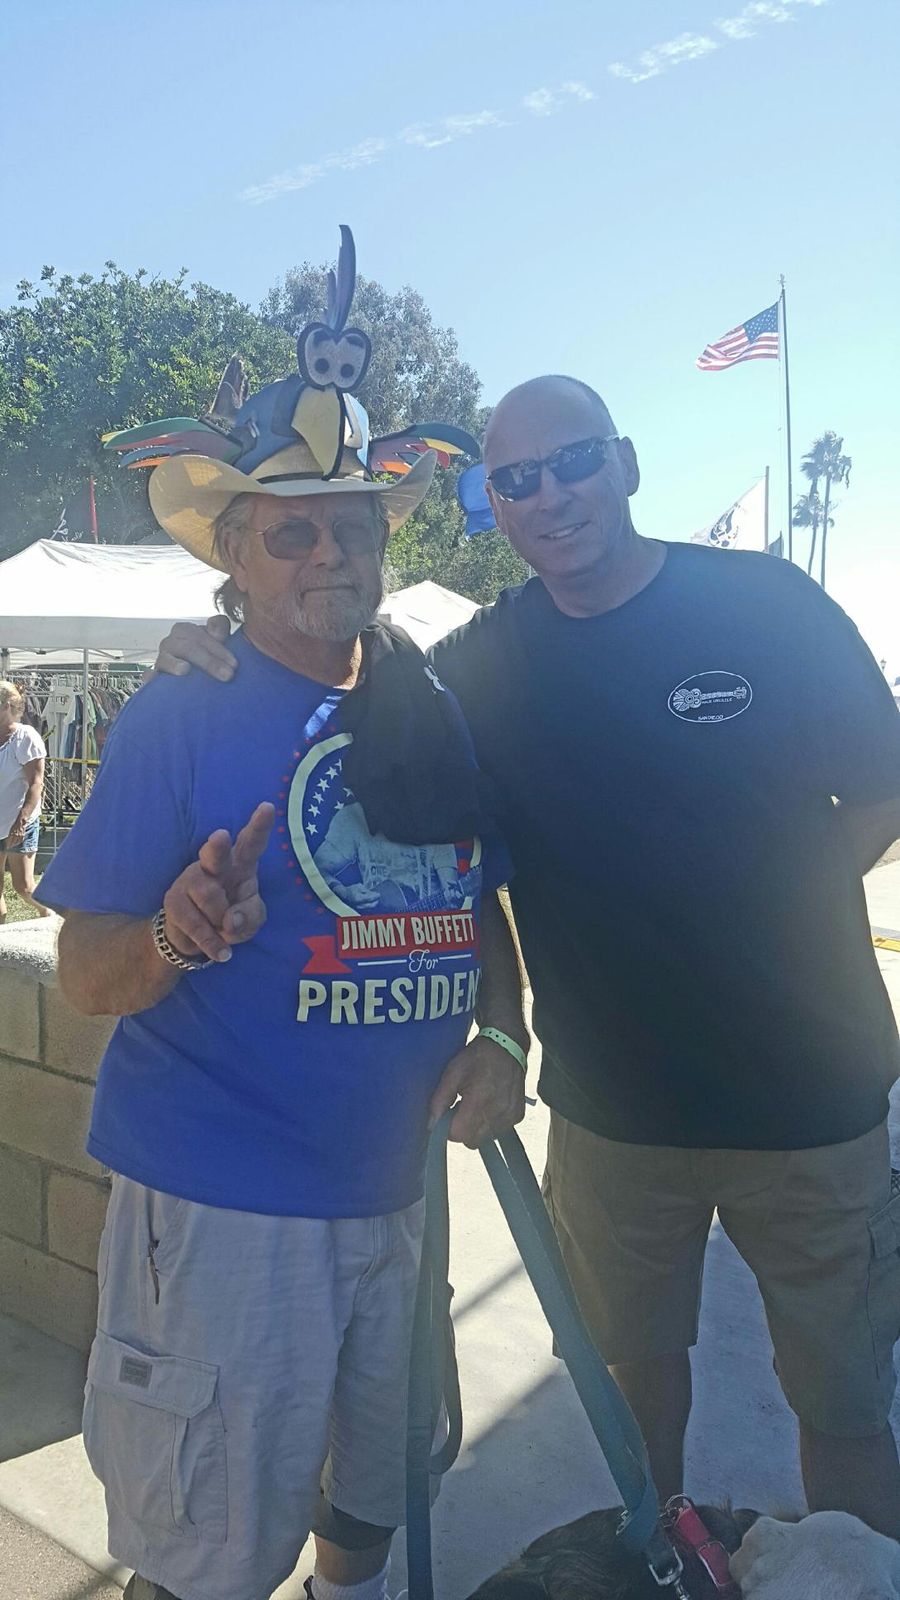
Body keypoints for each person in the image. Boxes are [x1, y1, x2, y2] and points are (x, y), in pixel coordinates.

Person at [160, 373, 900, 1539]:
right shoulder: (479, 665)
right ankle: (661, 1565)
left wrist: (783, 905)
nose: (549, 495)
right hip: (614, 1117)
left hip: (815, 1107)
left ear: (626, 463)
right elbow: (349, 695)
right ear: (492, 504)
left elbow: (883, 787)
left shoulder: (767, 604)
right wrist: (213, 645)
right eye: (515, 480)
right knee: (633, 1393)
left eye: (574, 462)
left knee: (846, 1409)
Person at [36, 237, 528, 1600]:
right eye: (292, 528)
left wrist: (504, 1033)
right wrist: (176, 935)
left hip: (398, 1194)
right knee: (203, 1542)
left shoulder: (429, 704)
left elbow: (481, 903)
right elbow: (82, 973)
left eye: (352, 523)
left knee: (382, 1477)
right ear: (236, 556)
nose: (330, 549)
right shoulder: (179, 712)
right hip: (224, 1215)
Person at [0, 679, 52, 921]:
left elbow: (36, 783)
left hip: (18, 822)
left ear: (7, 706)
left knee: (24, 887)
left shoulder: (25, 737)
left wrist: (21, 821)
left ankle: (49, 913)